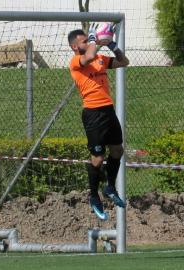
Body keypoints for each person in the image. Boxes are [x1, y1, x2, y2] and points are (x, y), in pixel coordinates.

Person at [68, 24, 129, 220]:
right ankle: (94, 196)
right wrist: (94, 39)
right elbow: (89, 56)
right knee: (97, 158)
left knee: (118, 150)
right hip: (93, 114)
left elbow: (123, 62)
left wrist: (112, 44)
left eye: (89, 39)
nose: (89, 42)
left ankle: (110, 187)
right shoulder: (77, 62)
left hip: (108, 110)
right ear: (75, 47)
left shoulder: (100, 59)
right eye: (84, 41)